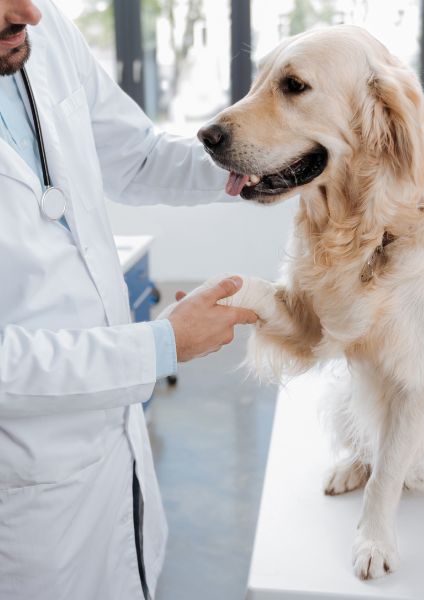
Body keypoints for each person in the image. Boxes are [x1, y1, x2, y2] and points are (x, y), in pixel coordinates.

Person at [0, 1, 258, 598]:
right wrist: (158, 347)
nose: (28, 14)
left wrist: (256, 158)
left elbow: (137, 157)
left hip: (115, 460)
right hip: (23, 491)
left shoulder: (43, 34)